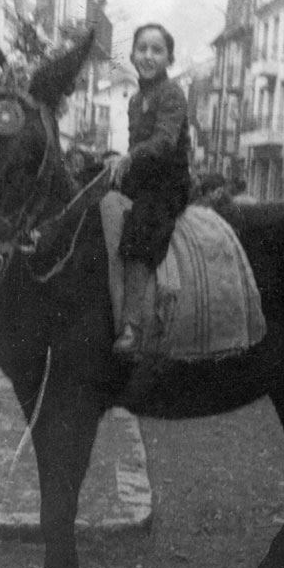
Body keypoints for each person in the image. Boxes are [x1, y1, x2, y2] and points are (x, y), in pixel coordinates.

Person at [110, 23, 191, 355]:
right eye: (142, 48)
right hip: (143, 179)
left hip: (167, 183)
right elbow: (135, 150)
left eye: (157, 50)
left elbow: (164, 142)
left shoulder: (171, 93)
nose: (148, 56)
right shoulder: (136, 99)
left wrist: (129, 157)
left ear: (169, 57)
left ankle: (132, 325)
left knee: (142, 222)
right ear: (131, 55)